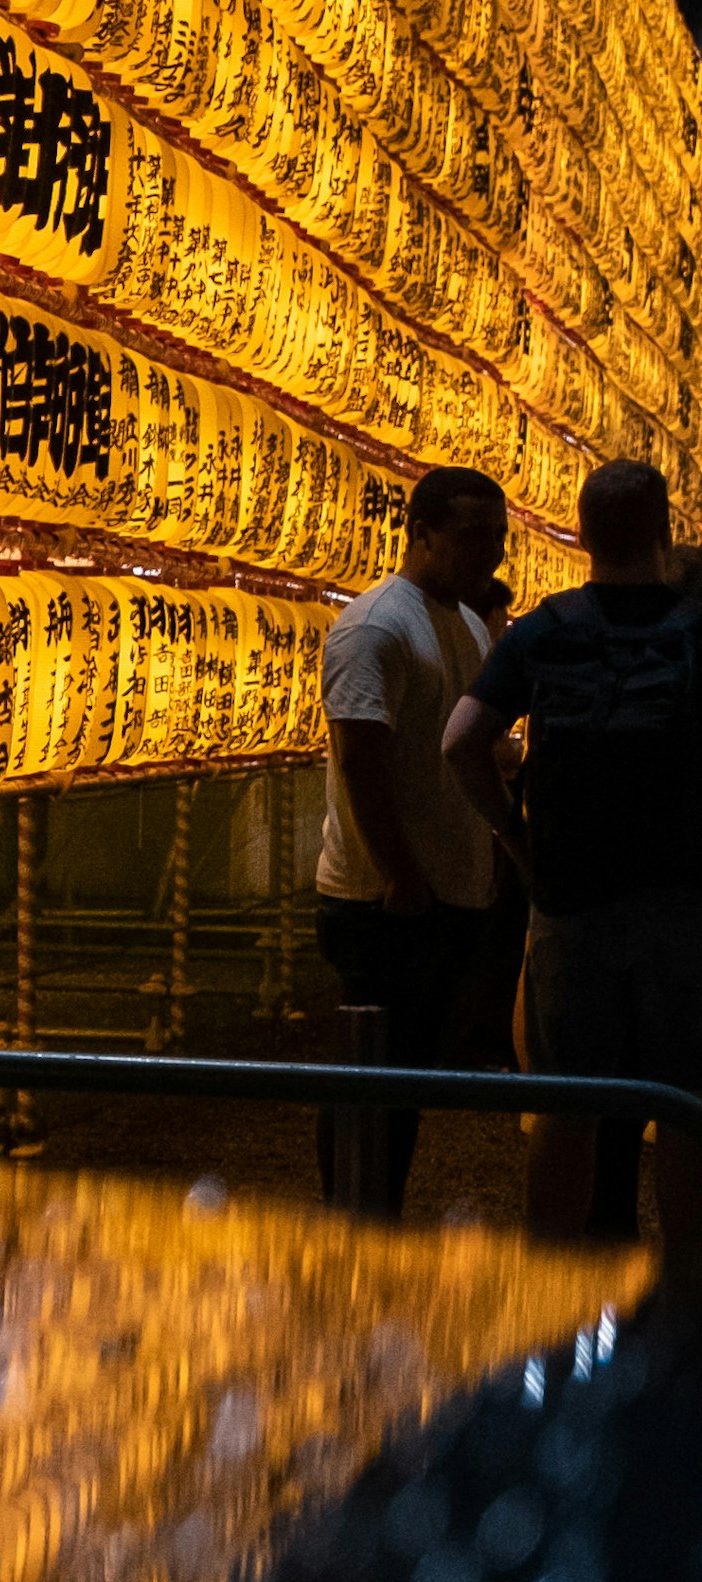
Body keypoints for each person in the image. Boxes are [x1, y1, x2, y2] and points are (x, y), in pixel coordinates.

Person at [441, 455, 702, 1268]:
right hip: (681, 903)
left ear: (582, 534)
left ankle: (547, 1293)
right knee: (686, 1110)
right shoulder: (697, 629)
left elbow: (460, 740)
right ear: (664, 533)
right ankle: (686, 1297)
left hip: (569, 902)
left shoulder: (547, 629)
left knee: (566, 1106)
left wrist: (514, 836)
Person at [311, 461, 511, 1216]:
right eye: (470, 537)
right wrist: (400, 876)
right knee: (372, 1074)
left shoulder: (461, 621)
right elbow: (359, 757)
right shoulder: (374, 626)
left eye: (497, 538)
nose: (487, 554)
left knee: (407, 1076)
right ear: (420, 533)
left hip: (437, 888)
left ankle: (378, 1212)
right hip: (383, 899)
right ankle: (354, 1218)